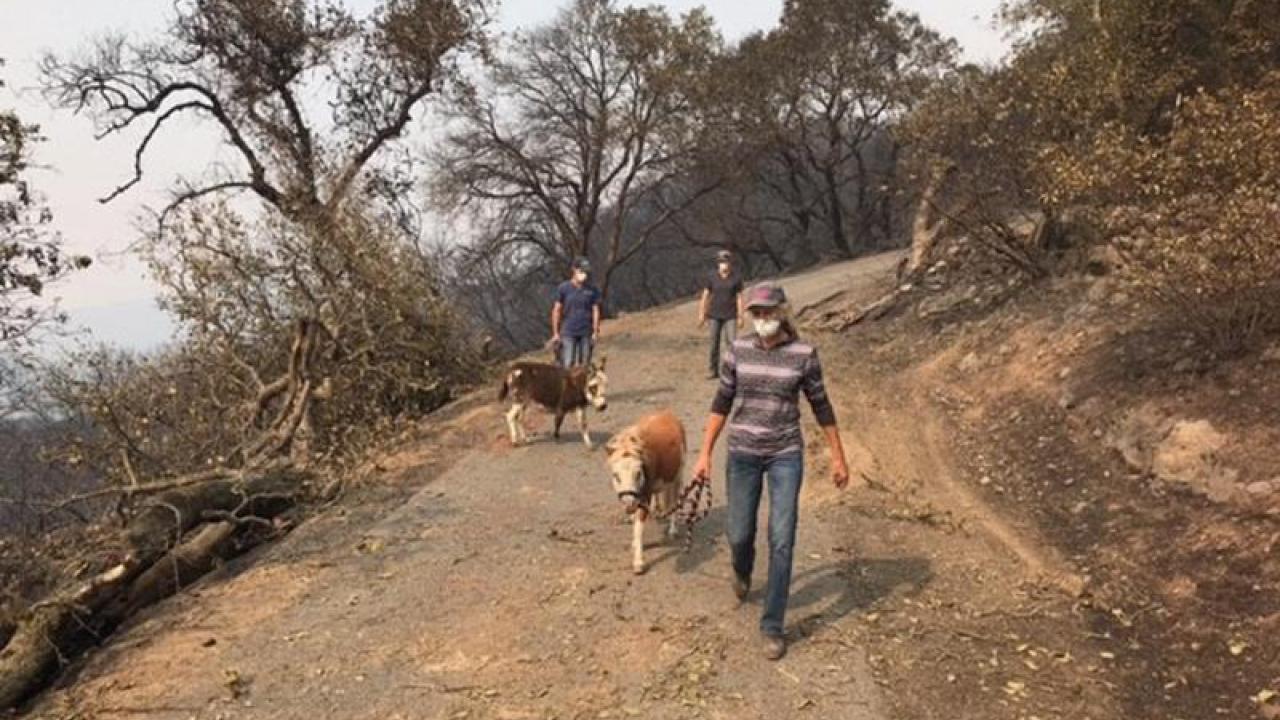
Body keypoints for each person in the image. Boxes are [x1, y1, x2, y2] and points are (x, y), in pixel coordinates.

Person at [690, 283, 850, 661]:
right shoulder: (737, 350)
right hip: (743, 453)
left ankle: (773, 625)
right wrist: (704, 454)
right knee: (739, 533)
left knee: (782, 537)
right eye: (757, 313)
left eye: (769, 312)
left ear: (783, 311)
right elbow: (721, 402)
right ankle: (742, 570)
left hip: (784, 455)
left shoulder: (804, 355)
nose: (763, 320)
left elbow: (822, 407)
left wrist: (839, 458)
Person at [698, 250, 744, 379]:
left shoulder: (736, 278)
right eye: (722, 262)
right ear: (718, 264)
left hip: (731, 315)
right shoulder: (712, 277)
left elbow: (739, 297)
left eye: (726, 262)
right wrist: (702, 313)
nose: (724, 265)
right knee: (714, 343)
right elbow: (705, 296)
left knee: (731, 343)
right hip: (714, 315)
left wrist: (741, 316)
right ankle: (713, 370)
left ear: (730, 263)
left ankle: (731, 370)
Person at [551, 257, 602, 368]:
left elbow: (595, 310)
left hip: (586, 332)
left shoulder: (593, 289)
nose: (584, 274)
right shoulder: (563, 288)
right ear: (574, 270)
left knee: (585, 365)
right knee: (568, 364)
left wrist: (595, 331)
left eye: (585, 271)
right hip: (568, 332)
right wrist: (555, 333)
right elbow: (557, 310)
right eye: (581, 270)